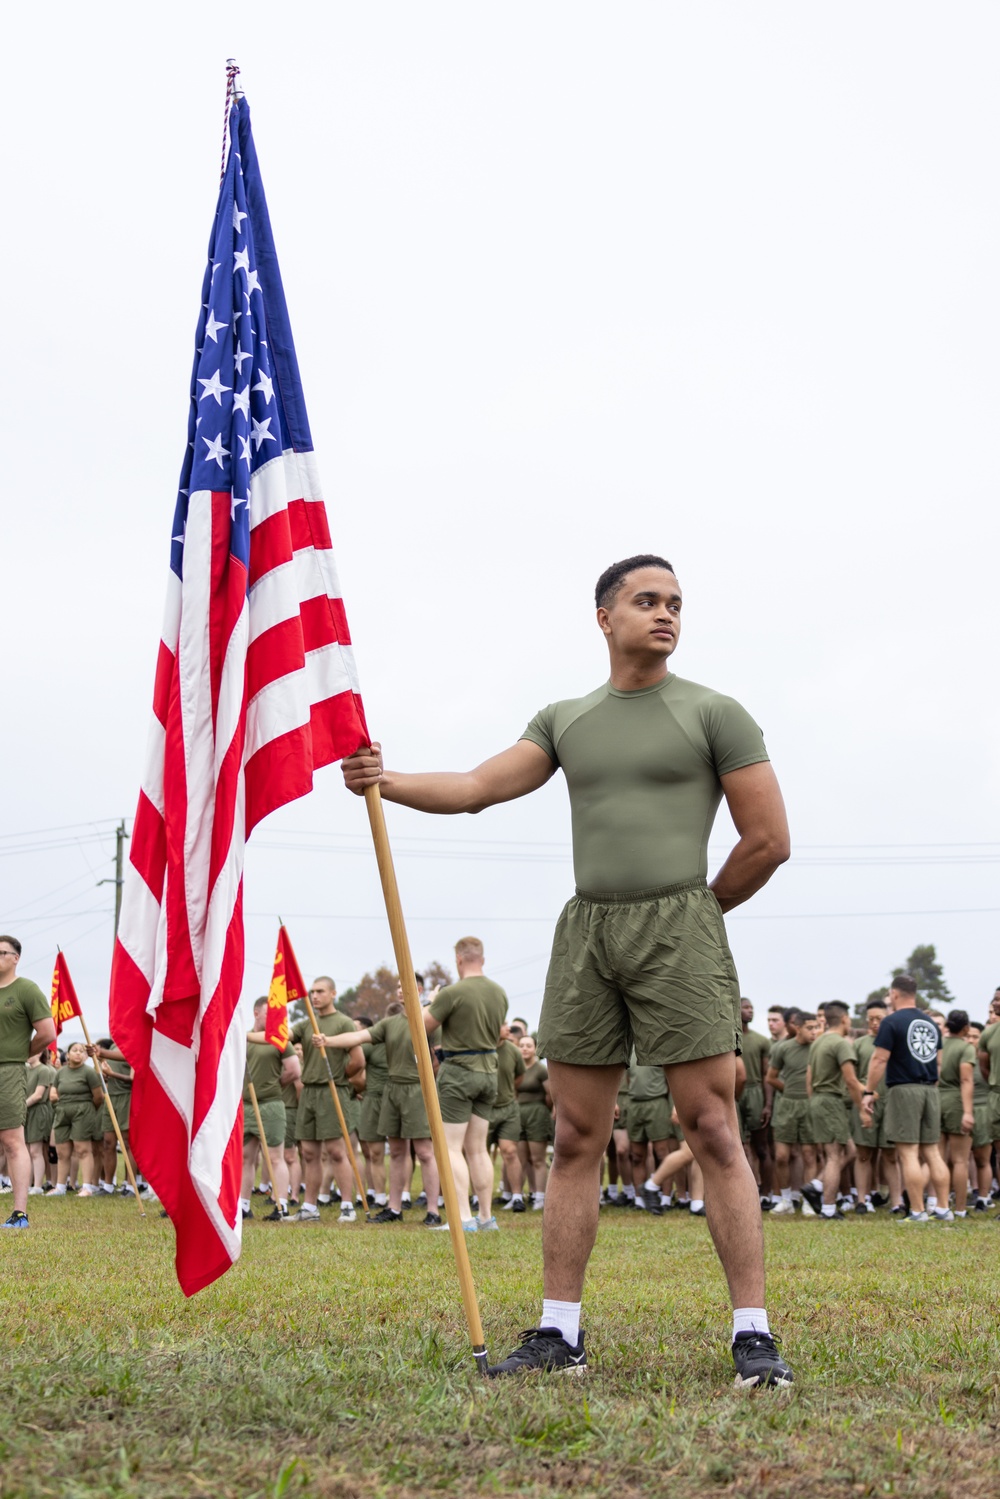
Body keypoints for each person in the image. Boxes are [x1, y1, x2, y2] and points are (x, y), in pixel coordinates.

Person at [342, 554, 793, 1386]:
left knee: (712, 1126)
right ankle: (559, 1332)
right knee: (576, 1134)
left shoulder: (715, 711)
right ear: (604, 616)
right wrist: (388, 779)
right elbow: (478, 785)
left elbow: (768, 840)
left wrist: (697, 916)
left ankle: (754, 1334)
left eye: (676, 604)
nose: (666, 614)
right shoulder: (566, 717)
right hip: (586, 932)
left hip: (682, 922)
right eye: (647, 600)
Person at [412, 937, 507, 1232]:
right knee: (478, 1148)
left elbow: (421, 1025)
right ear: (482, 958)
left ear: (458, 959)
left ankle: (464, 1218)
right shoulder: (499, 992)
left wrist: (430, 1001)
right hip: (490, 1069)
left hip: (460, 1070)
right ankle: (486, 1217)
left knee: (452, 1148)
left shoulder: (453, 993)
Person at [324, 1000, 442, 1226]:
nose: (400, 990)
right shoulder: (389, 1023)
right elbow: (357, 1037)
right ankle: (394, 1208)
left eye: (404, 985)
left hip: (418, 1089)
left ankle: (433, 1211)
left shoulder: (429, 1019)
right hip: (392, 1089)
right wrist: (327, 1040)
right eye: (397, 986)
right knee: (396, 1151)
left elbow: (438, 1057)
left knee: (425, 1152)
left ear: (418, 990)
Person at [861, 975, 952, 1223]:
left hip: (904, 1089)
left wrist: (868, 1092)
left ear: (895, 994)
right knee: (933, 1152)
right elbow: (939, 1062)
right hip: (930, 1089)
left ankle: (918, 1211)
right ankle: (943, 1209)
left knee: (909, 1153)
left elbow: (879, 1059)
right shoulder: (931, 1024)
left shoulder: (892, 1022)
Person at [283, 976, 365, 1223]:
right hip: (309, 1092)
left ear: (333, 993)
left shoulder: (343, 1023)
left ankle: (348, 1205)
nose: (315, 996)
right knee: (308, 1152)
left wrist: (341, 1077)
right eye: (312, 992)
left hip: (332, 1090)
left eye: (320, 991)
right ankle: (309, 1207)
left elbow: (358, 1060)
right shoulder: (308, 1023)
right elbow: (285, 1035)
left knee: (337, 1151)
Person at [0, 936, 57, 1228]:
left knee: (12, 1141)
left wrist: (20, 1054)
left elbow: (47, 1033)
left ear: (15, 958)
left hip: (8, 1071)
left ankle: (19, 1213)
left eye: (1, 953)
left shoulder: (26, 990)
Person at [241, 997, 301, 1221]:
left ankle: (281, 1205)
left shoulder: (279, 1039)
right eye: (269, 1014)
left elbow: (294, 1071)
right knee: (245, 1157)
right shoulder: (243, 1039)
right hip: (246, 1106)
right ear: (256, 1013)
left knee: (276, 1157)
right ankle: (243, 1205)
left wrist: (273, 1085)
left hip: (271, 1105)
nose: (275, 1019)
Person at [806, 1001, 862, 1220]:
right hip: (830, 1101)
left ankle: (816, 1185)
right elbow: (850, 1080)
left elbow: (808, 1077)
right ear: (845, 1019)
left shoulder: (818, 1043)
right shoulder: (841, 1043)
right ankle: (828, 1208)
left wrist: (814, 1102)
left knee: (850, 1151)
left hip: (820, 1100)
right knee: (833, 1157)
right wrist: (863, 1109)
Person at [766, 1014, 820, 1214]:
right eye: (810, 1028)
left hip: (810, 1106)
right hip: (786, 1106)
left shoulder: (818, 1048)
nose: (814, 1032)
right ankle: (786, 1200)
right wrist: (788, 1090)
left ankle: (807, 1202)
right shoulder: (783, 1048)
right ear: (798, 1028)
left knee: (809, 1155)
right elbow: (770, 1077)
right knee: (781, 1156)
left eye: (816, 1027)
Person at [52, 1041, 103, 1195]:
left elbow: (98, 1097)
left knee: (83, 1150)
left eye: (82, 1051)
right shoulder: (61, 1072)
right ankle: (60, 1187)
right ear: (67, 1055)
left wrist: (87, 1109)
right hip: (63, 1111)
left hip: (83, 1111)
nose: (78, 1053)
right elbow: (54, 1092)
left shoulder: (89, 1072)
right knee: (62, 1152)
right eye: (75, 1050)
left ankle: (87, 1186)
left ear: (85, 1056)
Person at [938, 1010, 976, 1216]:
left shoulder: (938, 1045)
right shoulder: (965, 1048)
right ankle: (960, 1208)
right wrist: (968, 1112)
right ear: (966, 1029)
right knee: (960, 1160)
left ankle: (941, 1205)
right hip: (955, 1101)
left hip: (936, 1100)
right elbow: (966, 1080)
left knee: (938, 1157)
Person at [738, 999, 774, 1208]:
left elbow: (766, 1074)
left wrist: (767, 1104)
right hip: (734, 1092)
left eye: (751, 1007)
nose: (749, 1011)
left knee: (761, 1147)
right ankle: (746, 1193)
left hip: (755, 1092)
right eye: (745, 1007)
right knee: (739, 1147)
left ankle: (766, 1194)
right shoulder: (728, 1039)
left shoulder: (761, 1041)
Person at [489, 1023, 527, 1212]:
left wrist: (507, 1090)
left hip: (508, 1108)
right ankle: (479, 1197)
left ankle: (517, 1197)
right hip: (483, 1109)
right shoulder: (482, 1048)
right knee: (479, 1153)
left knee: (510, 1151)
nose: (507, 1028)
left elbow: (520, 1076)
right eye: (502, 1024)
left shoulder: (513, 1050)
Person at [516, 1032, 553, 1211]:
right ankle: (517, 1197)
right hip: (518, 1113)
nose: (524, 1048)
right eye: (521, 1045)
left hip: (537, 1113)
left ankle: (540, 1197)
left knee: (537, 1158)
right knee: (520, 1158)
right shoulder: (517, 1068)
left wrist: (548, 1110)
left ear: (535, 1049)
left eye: (528, 1045)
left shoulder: (540, 1069)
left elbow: (550, 1095)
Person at [23, 1051, 58, 1193]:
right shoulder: (25, 1069)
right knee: (26, 1150)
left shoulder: (43, 1070)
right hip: (26, 1111)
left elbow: (38, 1095)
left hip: (37, 1111)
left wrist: (21, 1106)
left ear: (39, 1054)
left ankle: (37, 1186)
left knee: (35, 1150)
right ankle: (28, 1184)